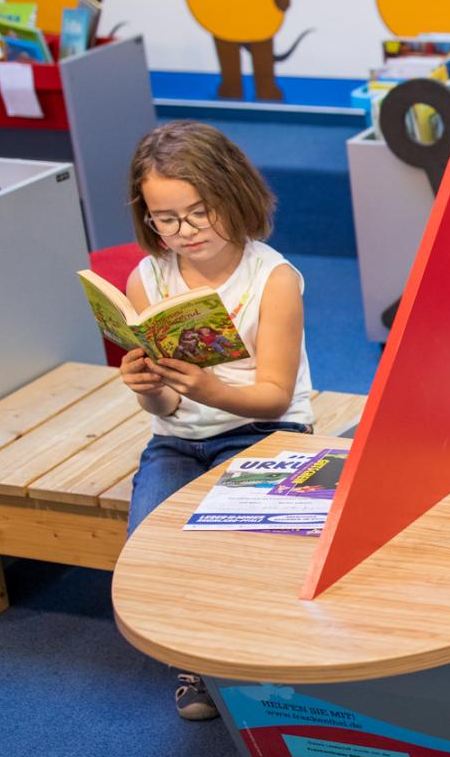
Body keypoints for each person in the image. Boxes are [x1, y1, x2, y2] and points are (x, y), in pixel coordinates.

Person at [117, 121, 316, 721]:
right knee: (149, 542)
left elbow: (276, 397)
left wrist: (210, 386)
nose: (185, 232)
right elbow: (168, 412)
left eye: (198, 213)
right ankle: (195, 660)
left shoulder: (273, 279)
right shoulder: (148, 278)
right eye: (165, 219)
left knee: (239, 540)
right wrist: (149, 389)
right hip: (178, 441)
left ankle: (252, 654)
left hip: (264, 433)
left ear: (233, 196)